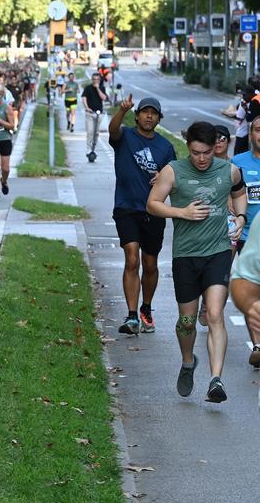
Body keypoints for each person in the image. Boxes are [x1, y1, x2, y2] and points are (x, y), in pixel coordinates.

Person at [146, 121, 246, 403]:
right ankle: (188, 361)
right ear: (187, 148)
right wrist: (182, 212)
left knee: (214, 314)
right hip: (186, 255)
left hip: (218, 252)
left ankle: (216, 380)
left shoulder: (228, 170)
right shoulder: (173, 171)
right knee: (187, 321)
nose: (201, 159)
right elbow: (152, 204)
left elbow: (239, 193)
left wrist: (240, 218)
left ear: (215, 147)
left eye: (206, 153)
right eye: (195, 153)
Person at [108, 96, 177, 336]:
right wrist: (121, 110)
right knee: (131, 259)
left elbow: (174, 178)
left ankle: (146, 308)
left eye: (154, 113)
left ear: (159, 118)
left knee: (149, 264)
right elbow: (112, 130)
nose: (149, 116)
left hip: (153, 209)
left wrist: (163, 177)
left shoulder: (165, 147)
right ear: (137, 115)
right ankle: (131, 316)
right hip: (126, 207)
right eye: (145, 112)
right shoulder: (125, 136)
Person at [231, 110, 260, 365]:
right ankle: (258, 344)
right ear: (250, 134)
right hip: (248, 236)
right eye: (258, 130)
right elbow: (230, 194)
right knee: (253, 291)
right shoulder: (239, 161)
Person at [82, 72, 108, 162]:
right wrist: (87, 107)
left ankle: (94, 147)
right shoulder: (88, 88)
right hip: (90, 113)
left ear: (99, 80)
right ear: (92, 80)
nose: (95, 81)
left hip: (99, 114)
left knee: (96, 133)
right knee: (90, 131)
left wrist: (97, 88)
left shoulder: (102, 88)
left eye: (97, 79)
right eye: (94, 79)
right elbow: (84, 98)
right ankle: (88, 148)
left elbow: (104, 98)